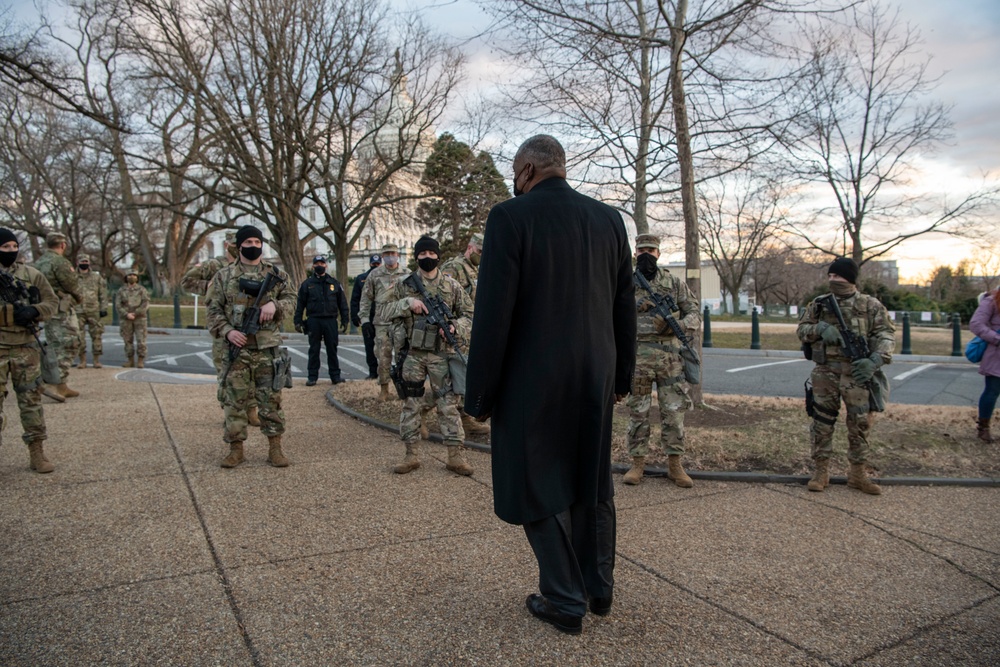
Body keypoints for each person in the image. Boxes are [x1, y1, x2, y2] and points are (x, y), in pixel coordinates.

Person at [464, 135, 636, 635]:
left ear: (528, 169)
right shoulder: (608, 219)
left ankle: (564, 599)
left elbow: (494, 313)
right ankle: (597, 589)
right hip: (597, 372)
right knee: (591, 479)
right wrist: (622, 375)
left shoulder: (510, 218)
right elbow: (622, 304)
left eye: (514, 174)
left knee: (533, 480)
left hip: (532, 377)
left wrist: (480, 394)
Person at [797, 257, 894, 495]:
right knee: (821, 423)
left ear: (850, 279)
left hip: (857, 373)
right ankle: (821, 472)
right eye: (830, 276)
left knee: (860, 424)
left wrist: (874, 360)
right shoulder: (819, 304)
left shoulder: (870, 305)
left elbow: (886, 335)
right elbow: (802, 329)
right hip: (825, 371)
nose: (833, 280)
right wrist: (819, 329)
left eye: (838, 276)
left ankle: (858, 474)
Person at [383, 236, 474, 475]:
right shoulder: (404, 285)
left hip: (442, 355)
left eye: (431, 254)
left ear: (438, 255)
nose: (427, 258)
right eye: (422, 254)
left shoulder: (451, 286)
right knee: (411, 404)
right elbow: (382, 311)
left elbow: (469, 314)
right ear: (416, 257)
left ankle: (455, 456)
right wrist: (407, 303)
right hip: (412, 355)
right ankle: (411, 455)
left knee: (448, 405)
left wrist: (456, 326)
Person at [206, 225, 294, 468]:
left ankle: (275, 449)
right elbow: (213, 311)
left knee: (271, 401)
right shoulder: (224, 276)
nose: (253, 246)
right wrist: (229, 331)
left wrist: (274, 306)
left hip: (267, 350)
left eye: (257, 242)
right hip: (237, 350)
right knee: (234, 401)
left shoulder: (276, 274)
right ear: (239, 245)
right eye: (248, 242)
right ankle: (236, 450)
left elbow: (292, 301)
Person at [623, 234, 701, 488]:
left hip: (670, 358)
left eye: (651, 250)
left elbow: (694, 312)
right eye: (642, 250)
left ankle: (675, 465)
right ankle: (637, 464)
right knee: (638, 412)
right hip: (639, 357)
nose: (646, 254)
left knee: (674, 413)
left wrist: (676, 325)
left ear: (659, 253)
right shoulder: (624, 281)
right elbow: (611, 311)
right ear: (635, 253)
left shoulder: (673, 282)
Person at [181, 231, 260, 425]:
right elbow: (186, 282)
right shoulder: (214, 265)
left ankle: (251, 411)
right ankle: (231, 415)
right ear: (227, 245)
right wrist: (209, 286)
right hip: (222, 326)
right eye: (235, 243)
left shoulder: (252, 266)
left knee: (251, 372)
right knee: (226, 372)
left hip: (247, 326)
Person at [0, 228, 60, 472]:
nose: (11, 251)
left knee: (31, 402)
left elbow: (52, 302)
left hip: (25, 347)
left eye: (14, 247)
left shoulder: (31, 274)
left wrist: (34, 311)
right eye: (5, 248)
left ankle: (37, 452)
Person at [439, 233, 490, 437]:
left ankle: (466, 416)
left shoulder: (475, 268)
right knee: (457, 376)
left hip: (472, 328)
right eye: (479, 251)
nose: (481, 255)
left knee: (467, 374)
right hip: (458, 330)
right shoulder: (454, 267)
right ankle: (425, 411)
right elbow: (444, 298)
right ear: (470, 248)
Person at [32, 231, 83, 398]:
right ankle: (57, 382)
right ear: (62, 245)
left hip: (44, 308)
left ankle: (56, 382)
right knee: (68, 343)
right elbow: (72, 285)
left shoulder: (38, 263)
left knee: (53, 344)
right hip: (60, 308)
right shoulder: (59, 262)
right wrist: (78, 299)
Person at [359, 243, 406, 401]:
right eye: (386, 254)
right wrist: (364, 319)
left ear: (398, 255)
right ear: (382, 256)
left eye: (392, 253)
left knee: (403, 357)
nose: (390, 256)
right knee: (383, 357)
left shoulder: (406, 274)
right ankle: (384, 389)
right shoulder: (375, 274)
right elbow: (366, 298)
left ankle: (404, 388)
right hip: (382, 322)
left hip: (401, 321)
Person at [294, 255, 350, 386]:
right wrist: (298, 320)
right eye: (317, 263)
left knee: (332, 349)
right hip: (314, 320)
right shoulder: (307, 284)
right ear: (313, 266)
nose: (320, 265)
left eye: (322, 263)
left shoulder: (334, 283)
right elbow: (300, 304)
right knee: (314, 349)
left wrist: (345, 319)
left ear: (326, 265)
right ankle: (312, 376)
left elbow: (342, 303)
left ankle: (335, 376)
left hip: (330, 320)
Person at [970, 290, 1000, 443]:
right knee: (992, 391)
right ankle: (983, 428)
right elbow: (976, 324)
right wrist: (996, 338)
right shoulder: (992, 301)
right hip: (997, 354)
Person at [350, 254, 382, 379]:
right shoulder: (361, 278)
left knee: (385, 346)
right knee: (370, 346)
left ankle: (386, 372)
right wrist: (355, 316)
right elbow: (355, 299)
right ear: (370, 264)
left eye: (377, 264)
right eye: (373, 264)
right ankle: (373, 372)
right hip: (367, 318)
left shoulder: (385, 278)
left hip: (383, 317)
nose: (375, 266)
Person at [74, 254, 108, 369]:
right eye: (82, 261)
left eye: (86, 261)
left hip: (94, 310)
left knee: (97, 335)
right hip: (78, 310)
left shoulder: (96, 277)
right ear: (78, 263)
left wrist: (104, 308)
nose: (85, 263)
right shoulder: (72, 277)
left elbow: (102, 293)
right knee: (79, 336)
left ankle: (96, 360)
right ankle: (82, 360)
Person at [117, 269, 149, 368]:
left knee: (141, 340)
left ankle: (140, 360)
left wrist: (135, 313)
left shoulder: (142, 290)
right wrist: (126, 314)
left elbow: (145, 303)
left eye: (134, 275)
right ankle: (130, 360)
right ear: (126, 277)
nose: (132, 277)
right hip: (126, 319)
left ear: (137, 278)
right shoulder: (121, 290)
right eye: (130, 275)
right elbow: (118, 305)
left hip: (139, 318)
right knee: (127, 340)